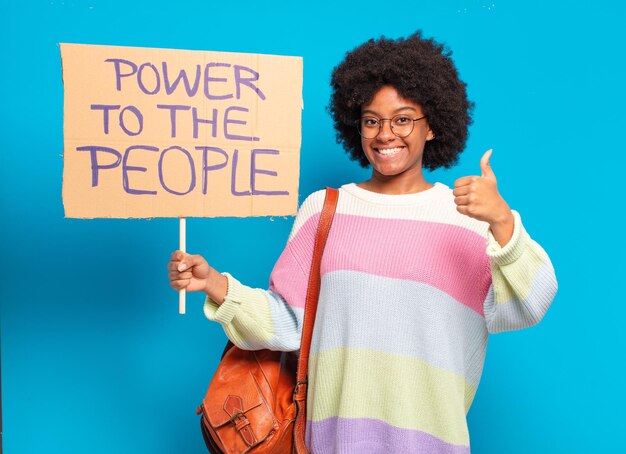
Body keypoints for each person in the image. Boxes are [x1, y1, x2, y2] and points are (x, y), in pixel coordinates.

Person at [168, 31, 558, 454]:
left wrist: (502, 219)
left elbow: (531, 303)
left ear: (432, 126)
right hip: (332, 444)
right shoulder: (324, 210)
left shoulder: (469, 219)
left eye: (403, 118)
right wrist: (214, 284)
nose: (385, 134)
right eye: (372, 120)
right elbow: (287, 323)